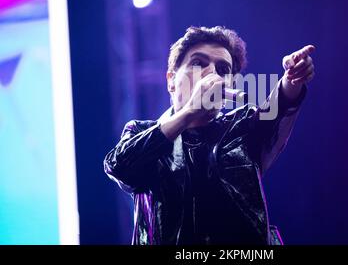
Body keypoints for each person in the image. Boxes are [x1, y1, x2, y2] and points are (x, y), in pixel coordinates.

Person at [104, 26, 315, 245]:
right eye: (198, 63)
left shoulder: (243, 126)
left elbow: (278, 109)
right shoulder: (139, 132)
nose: (212, 73)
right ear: (171, 80)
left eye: (223, 69)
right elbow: (119, 167)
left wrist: (292, 80)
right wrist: (188, 112)